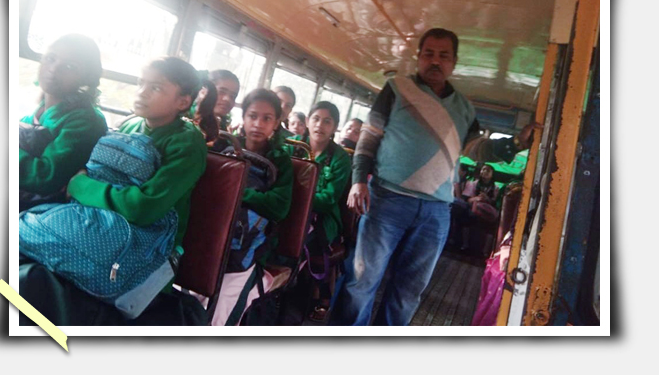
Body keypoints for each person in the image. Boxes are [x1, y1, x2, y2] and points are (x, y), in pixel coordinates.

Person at [332, 27, 536, 326]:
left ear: (454, 62)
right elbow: (370, 135)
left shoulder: (464, 108)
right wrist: (359, 180)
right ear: (418, 57)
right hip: (387, 199)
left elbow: (477, 149)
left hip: (436, 211)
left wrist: (515, 143)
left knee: (409, 291)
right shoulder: (397, 88)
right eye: (428, 54)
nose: (435, 61)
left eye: (443, 56)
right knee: (362, 281)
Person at [19, 56, 218, 326]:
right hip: (99, 225)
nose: (142, 92)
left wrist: (79, 186)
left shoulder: (187, 143)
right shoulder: (130, 125)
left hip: (143, 249)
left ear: (183, 101)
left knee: (32, 285)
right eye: (141, 83)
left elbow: (143, 208)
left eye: (155, 88)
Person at [206, 88, 293, 326]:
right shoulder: (223, 146)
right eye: (252, 116)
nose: (258, 124)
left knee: (224, 304)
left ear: (276, 123)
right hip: (209, 236)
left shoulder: (280, 160)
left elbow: (279, 207)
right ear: (243, 117)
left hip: (246, 247)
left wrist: (236, 192)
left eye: (267, 118)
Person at [19, 34, 108, 211]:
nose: (54, 69)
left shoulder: (86, 121)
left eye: (70, 67)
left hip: (44, 207)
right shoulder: (37, 112)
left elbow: (46, 177)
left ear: (87, 77)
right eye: (51, 59)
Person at [290, 102, 352, 322]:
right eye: (316, 119)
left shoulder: (340, 158)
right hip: (289, 208)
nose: (320, 125)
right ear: (308, 121)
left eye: (327, 121)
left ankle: (312, 295)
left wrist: (292, 197)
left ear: (334, 127)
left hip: (322, 217)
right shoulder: (292, 145)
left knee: (302, 236)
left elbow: (328, 200)